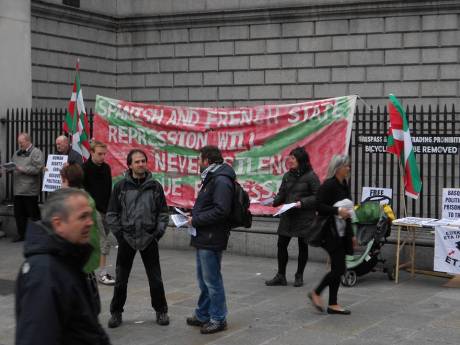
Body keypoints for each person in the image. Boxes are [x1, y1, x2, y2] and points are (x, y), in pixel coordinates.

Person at [15, 188, 111, 345]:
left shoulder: (68, 259)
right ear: (58, 223)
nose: (90, 222)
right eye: (83, 217)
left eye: (90, 215)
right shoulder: (44, 273)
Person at [106, 149, 170, 328]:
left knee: (155, 278)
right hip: (127, 238)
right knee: (121, 279)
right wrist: (120, 235)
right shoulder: (120, 187)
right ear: (130, 165)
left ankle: (161, 310)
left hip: (149, 238)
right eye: (137, 162)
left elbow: (163, 213)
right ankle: (116, 312)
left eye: (143, 161)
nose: (141, 164)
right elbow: (111, 214)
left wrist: (157, 234)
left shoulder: (155, 186)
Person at [186, 145, 234, 334]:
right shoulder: (212, 177)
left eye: (199, 159)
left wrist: (196, 219)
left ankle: (218, 318)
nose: (198, 163)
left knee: (212, 280)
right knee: (204, 279)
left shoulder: (221, 180)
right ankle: (203, 314)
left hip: (212, 237)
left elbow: (221, 210)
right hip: (204, 236)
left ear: (207, 160)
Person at [308, 154, 357, 315]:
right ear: (338, 168)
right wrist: (336, 210)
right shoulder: (328, 185)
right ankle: (317, 293)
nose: (348, 168)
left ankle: (333, 303)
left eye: (349, 166)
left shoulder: (344, 184)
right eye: (346, 166)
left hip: (342, 231)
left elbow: (348, 210)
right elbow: (318, 205)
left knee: (338, 268)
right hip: (329, 232)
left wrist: (351, 235)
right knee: (338, 269)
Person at [265, 147, 320, 287]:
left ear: (301, 160)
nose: (290, 160)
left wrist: (302, 203)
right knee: (281, 244)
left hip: (304, 216)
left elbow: (318, 196)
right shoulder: (287, 176)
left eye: (293, 158)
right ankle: (281, 275)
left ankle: (299, 275)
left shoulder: (311, 176)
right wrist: (274, 201)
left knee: (303, 245)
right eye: (290, 158)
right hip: (288, 215)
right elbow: (282, 193)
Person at [83, 140, 115, 285]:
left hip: (105, 209)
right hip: (92, 210)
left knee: (100, 241)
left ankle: (89, 270)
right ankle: (102, 273)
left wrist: (110, 208)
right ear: (91, 153)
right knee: (103, 241)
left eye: (104, 154)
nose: (102, 157)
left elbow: (108, 189)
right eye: (99, 154)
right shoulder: (85, 168)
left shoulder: (106, 168)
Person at [60, 164, 101, 274]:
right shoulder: (84, 197)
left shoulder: (75, 203)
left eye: (62, 181)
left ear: (67, 181)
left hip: (79, 258)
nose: (60, 184)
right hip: (84, 256)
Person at [10, 133, 45, 242]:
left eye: (21, 142)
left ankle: (38, 236)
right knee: (19, 214)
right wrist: (9, 168)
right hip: (18, 189)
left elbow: (39, 168)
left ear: (28, 141)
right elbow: (13, 164)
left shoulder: (36, 152)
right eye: (19, 142)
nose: (19, 144)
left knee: (33, 214)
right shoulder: (17, 152)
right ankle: (21, 235)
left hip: (30, 190)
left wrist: (23, 169)